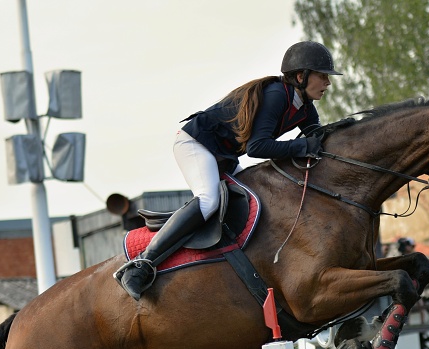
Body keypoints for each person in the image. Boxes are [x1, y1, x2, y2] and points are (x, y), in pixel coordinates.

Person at [115, 41, 342, 300]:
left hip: (224, 154)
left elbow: (317, 139)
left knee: (256, 198)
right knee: (209, 200)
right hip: (196, 143)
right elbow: (257, 147)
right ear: (301, 76)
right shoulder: (277, 95)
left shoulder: (304, 107)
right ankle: (141, 266)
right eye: (322, 76)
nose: (328, 83)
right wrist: (302, 146)